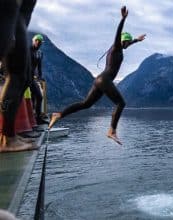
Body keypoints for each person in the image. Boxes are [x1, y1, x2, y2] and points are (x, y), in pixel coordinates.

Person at [48, 6, 146, 145]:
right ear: (122, 41)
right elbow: (118, 35)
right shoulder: (117, 46)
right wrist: (123, 19)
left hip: (100, 79)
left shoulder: (119, 47)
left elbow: (126, 42)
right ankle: (112, 131)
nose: (127, 45)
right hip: (105, 79)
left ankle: (59, 114)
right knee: (121, 103)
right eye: (126, 42)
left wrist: (136, 40)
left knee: (86, 104)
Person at [0, 0, 37, 152]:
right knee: (16, 76)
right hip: (10, 11)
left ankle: (10, 133)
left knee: (25, 78)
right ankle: (6, 137)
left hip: (18, 19)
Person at [30, 33, 47, 124]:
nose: (38, 43)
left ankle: (38, 119)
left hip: (31, 78)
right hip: (24, 77)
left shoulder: (40, 53)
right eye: (37, 41)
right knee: (27, 98)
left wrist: (40, 77)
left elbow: (39, 67)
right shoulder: (28, 50)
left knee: (39, 97)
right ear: (33, 41)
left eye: (40, 42)